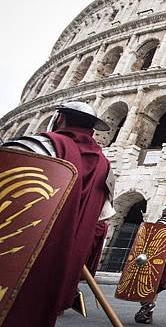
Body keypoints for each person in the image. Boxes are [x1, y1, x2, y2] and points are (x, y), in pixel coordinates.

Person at [2, 101, 114, 327]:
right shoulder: (106, 169)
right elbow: (102, 220)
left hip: (22, 244)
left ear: (60, 118)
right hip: (63, 259)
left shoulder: (39, 147)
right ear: (92, 130)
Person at [135, 202, 166, 324]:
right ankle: (147, 314)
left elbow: (154, 236)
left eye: (164, 209)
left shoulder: (165, 221)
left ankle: (148, 305)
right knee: (155, 286)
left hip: (156, 256)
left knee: (144, 282)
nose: (163, 211)